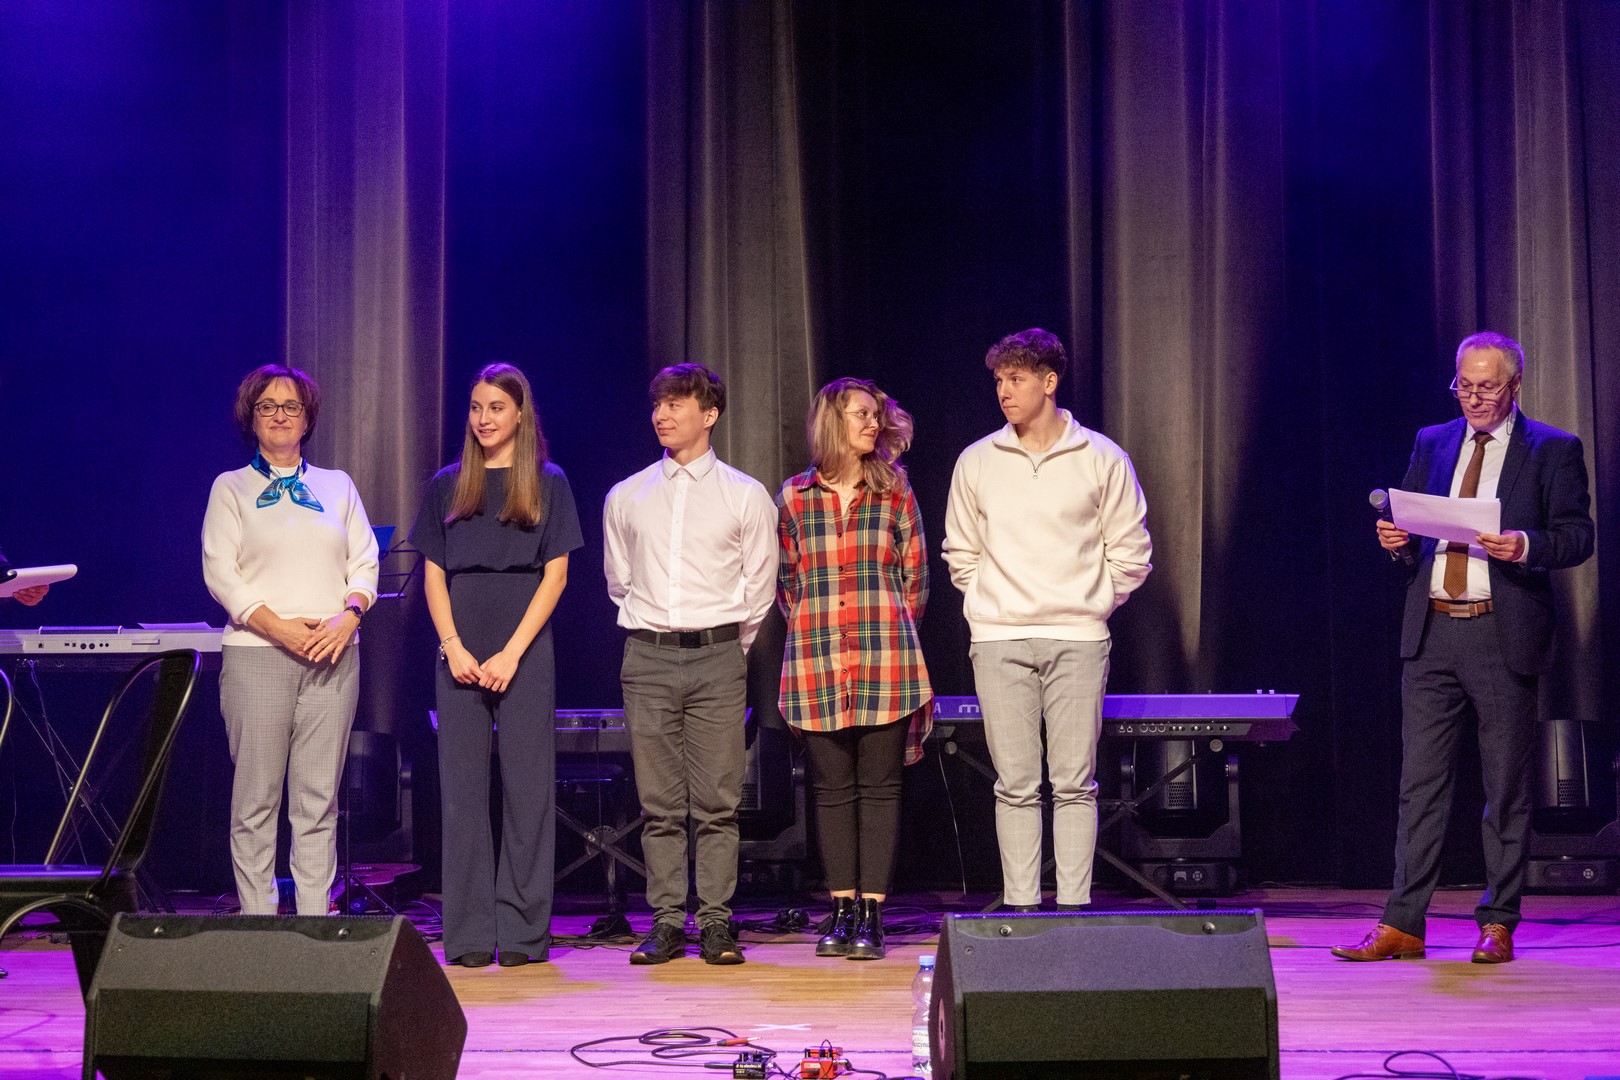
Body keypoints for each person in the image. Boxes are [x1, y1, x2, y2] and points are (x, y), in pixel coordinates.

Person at [1333, 332, 1593, 964]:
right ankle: (1403, 924)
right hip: (1432, 633)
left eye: (1487, 387)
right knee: (1419, 785)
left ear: (1515, 386)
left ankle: (1498, 921)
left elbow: (1577, 535)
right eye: (1464, 386)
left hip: (1501, 633)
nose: (1473, 398)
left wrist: (1525, 545)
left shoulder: (1552, 449)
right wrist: (1395, 540)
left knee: (1505, 788)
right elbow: (1410, 528)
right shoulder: (1433, 441)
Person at [943, 328, 1151, 911]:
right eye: (999, 380)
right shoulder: (977, 460)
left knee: (1074, 784)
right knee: (1014, 785)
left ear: (1049, 382)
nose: (1004, 391)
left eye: (1016, 379)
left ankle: (1074, 912)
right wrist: (989, 605)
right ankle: (1023, 911)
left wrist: (1091, 604)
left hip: (1078, 638)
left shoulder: (1102, 457)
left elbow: (1131, 552)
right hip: (999, 639)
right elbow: (961, 551)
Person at [603, 363, 778, 966]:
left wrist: (727, 647)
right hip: (647, 656)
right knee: (659, 804)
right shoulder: (626, 495)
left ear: (709, 414)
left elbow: (759, 587)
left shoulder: (744, 494)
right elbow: (619, 582)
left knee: (717, 803)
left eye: (676, 403)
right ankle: (667, 921)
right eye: (658, 404)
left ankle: (717, 922)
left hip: (718, 658)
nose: (662, 414)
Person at [409, 363, 582, 969]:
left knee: (528, 791)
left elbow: (556, 575)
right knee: (461, 794)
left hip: (524, 644)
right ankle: (470, 934)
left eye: (496, 408)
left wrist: (512, 652)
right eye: (476, 407)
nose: (484, 419)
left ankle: (524, 935)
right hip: (459, 643)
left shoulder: (548, 482)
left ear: (520, 414)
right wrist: (453, 646)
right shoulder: (448, 484)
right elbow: (433, 576)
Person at [202, 364, 379, 916]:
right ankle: (259, 923)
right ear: (251, 418)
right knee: (256, 800)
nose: (279, 416)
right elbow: (220, 572)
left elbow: (365, 561)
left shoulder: (338, 485)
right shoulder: (231, 488)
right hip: (258, 654)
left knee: (318, 801)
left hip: (332, 654)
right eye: (268, 406)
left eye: (291, 407)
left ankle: (314, 923)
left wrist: (349, 617)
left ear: (307, 419)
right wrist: (278, 628)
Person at [776, 378, 932, 962]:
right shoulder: (795, 497)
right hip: (817, 658)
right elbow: (787, 582)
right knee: (832, 789)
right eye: (861, 414)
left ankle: (872, 912)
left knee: (881, 787)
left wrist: (883, 626)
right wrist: (818, 628)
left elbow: (916, 578)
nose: (872, 423)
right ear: (832, 422)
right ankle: (841, 908)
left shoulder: (895, 490)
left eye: (875, 415)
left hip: (885, 656)